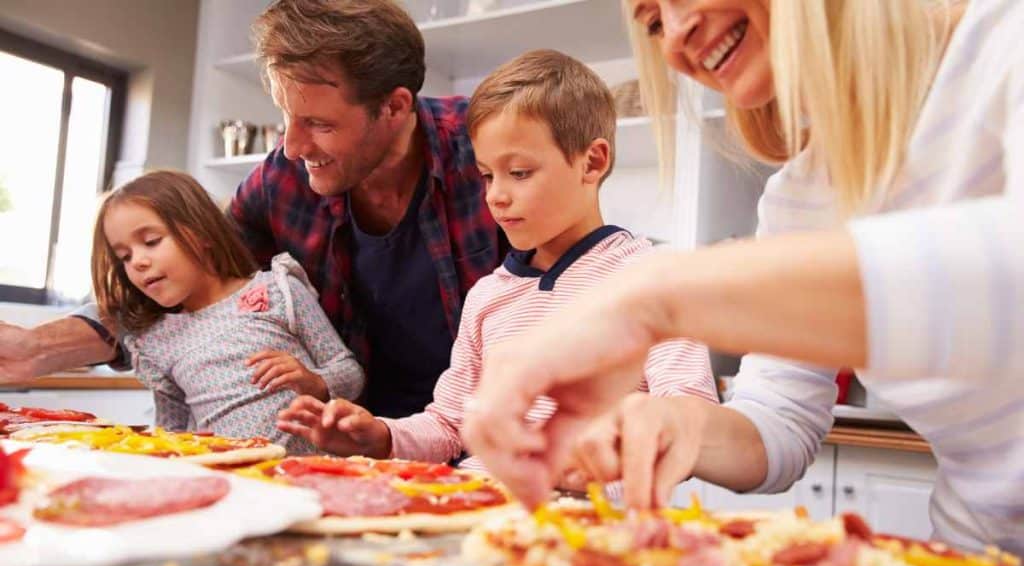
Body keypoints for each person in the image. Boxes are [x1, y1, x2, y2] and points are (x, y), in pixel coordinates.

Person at [462, 0, 1024, 556]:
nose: (677, 37)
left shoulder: (1005, 38)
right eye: (655, 22)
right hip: (977, 558)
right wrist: (673, 421)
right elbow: (779, 421)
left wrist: (655, 297)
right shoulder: (801, 193)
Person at [0, 0, 505, 420]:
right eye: (286, 118)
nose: (291, 146)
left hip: (486, 428)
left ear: (395, 107)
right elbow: (184, 275)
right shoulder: (281, 183)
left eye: (318, 124)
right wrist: (38, 348)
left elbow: (570, 284)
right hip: (353, 438)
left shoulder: (490, 149)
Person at [275, 49, 717, 473]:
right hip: (478, 505)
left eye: (519, 173)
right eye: (487, 175)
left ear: (592, 162)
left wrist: (604, 444)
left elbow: (689, 411)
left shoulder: (652, 279)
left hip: (587, 524)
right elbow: (450, 425)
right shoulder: (489, 295)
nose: (496, 195)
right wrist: (382, 437)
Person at [92, 170, 364, 453]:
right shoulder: (156, 339)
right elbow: (170, 435)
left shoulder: (278, 291)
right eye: (125, 256)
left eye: (151, 241)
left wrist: (315, 383)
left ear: (202, 233)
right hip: (232, 482)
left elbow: (350, 373)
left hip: (308, 478)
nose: (138, 262)